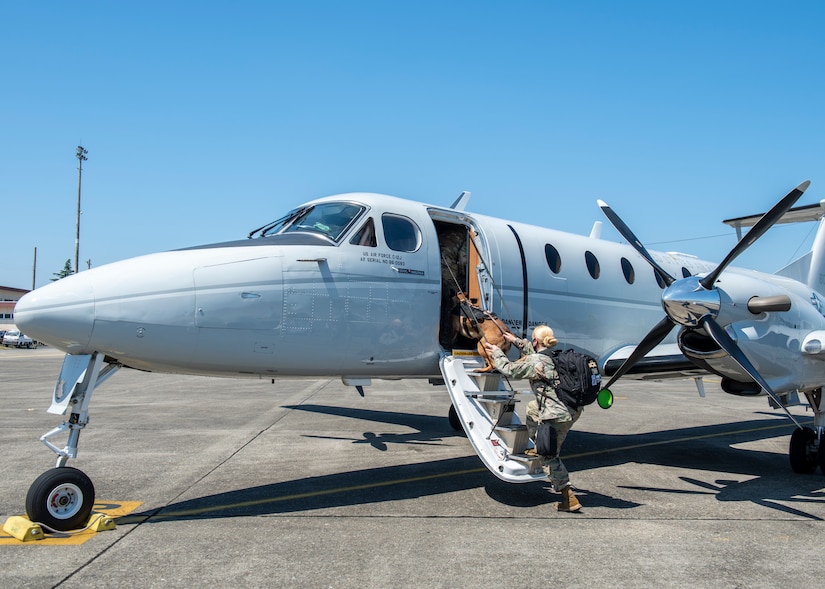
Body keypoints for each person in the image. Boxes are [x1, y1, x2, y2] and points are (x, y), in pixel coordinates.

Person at [483, 325, 583, 513]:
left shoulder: (535, 361)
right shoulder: (553, 356)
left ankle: (568, 496)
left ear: (536, 340)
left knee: (548, 456)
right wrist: (514, 341)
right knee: (532, 409)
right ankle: (536, 445)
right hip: (570, 408)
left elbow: (509, 369)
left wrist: (497, 353)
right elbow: (534, 355)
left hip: (557, 414)